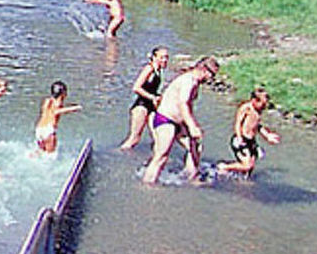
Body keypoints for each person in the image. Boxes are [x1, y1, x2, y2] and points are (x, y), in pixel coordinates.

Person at [141, 56, 220, 185]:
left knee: (195, 146)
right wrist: (192, 126)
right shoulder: (188, 81)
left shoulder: (194, 82)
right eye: (212, 75)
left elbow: (188, 106)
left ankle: (191, 177)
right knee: (162, 156)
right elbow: (183, 104)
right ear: (204, 70)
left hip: (178, 122)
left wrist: (189, 125)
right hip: (165, 120)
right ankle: (147, 185)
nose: (211, 79)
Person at [217, 86, 281, 177]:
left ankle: (243, 182)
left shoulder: (258, 111)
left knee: (250, 167)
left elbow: (257, 126)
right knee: (247, 165)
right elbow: (238, 124)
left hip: (251, 141)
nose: (264, 108)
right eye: (262, 104)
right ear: (254, 100)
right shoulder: (246, 108)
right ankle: (224, 167)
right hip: (242, 139)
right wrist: (239, 138)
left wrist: (267, 135)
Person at [117, 46, 171, 150]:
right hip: (141, 106)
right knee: (134, 139)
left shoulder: (158, 71)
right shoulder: (149, 69)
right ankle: (117, 155)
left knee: (158, 137)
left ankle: (157, 160)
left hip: (151, 107)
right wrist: (152, 97)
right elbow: (136, 87)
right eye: (162, 57)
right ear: (154, 57)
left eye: (166, 57)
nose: (165, 60)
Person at [33, 80, 82, 154]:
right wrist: (74, 108)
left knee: (40, 152)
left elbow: (49, 111)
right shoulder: (58, 103)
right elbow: (55, 112)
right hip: (48, 130)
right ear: (63, 93)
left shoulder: (47, 101)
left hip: (39, 129)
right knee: (50, 155)